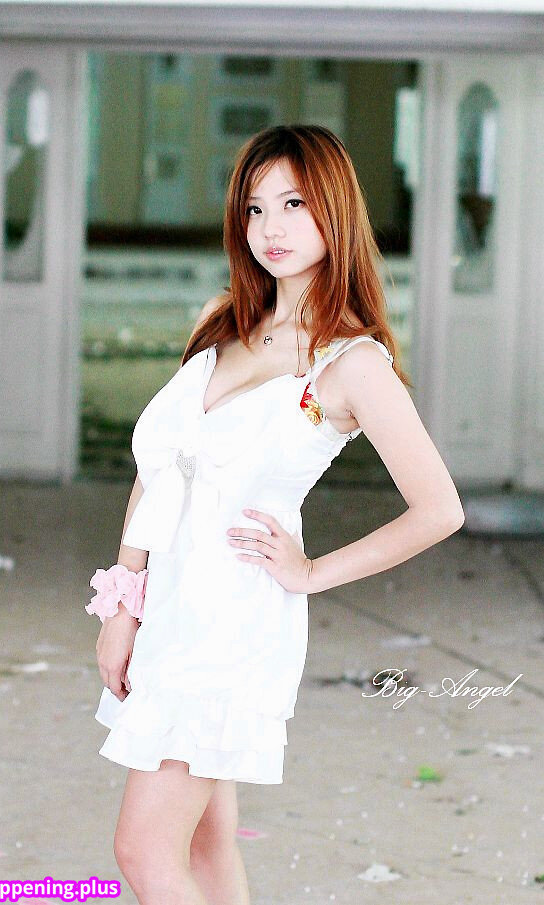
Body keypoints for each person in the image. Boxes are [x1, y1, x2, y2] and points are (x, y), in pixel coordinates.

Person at [89, 124, 465, 905]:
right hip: (173, 607)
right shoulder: (222, 319)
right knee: (205, 839)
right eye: (256, 208)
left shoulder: (351, 363)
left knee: (142, 848)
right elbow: (160, 470)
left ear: (335, 210)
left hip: (234, 621)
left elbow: (439, 509)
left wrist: (311, 570)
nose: (272, 227)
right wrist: (123, 603)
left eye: (294, 203)